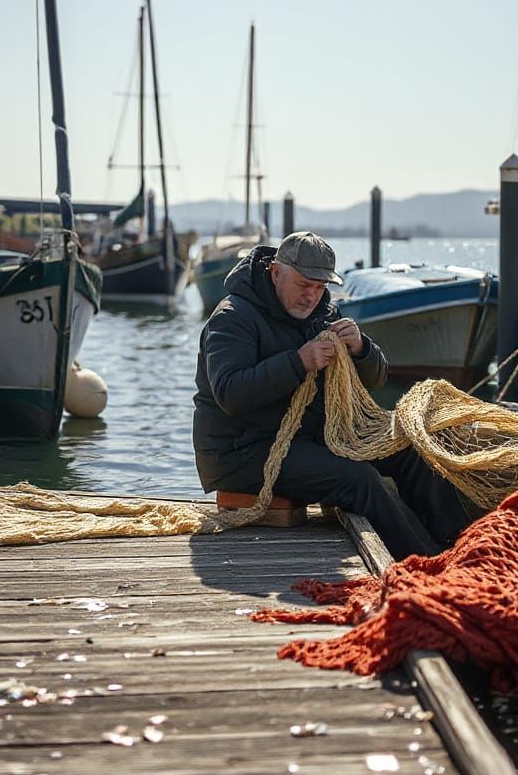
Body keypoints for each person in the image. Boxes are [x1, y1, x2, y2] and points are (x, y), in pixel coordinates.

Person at [193, 230, 470, 559]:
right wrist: (298, 362)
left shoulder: (324, 314)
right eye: (303, 285)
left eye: (320, 287)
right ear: (275, 272)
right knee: (358, 479)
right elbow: (230, 394)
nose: (311, 296)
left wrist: (362, 349)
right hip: (242, 452)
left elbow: (376, 380)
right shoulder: (233, 317)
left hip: (309, 438)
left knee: (410, 446)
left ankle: (457, 546)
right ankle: (421, 560)